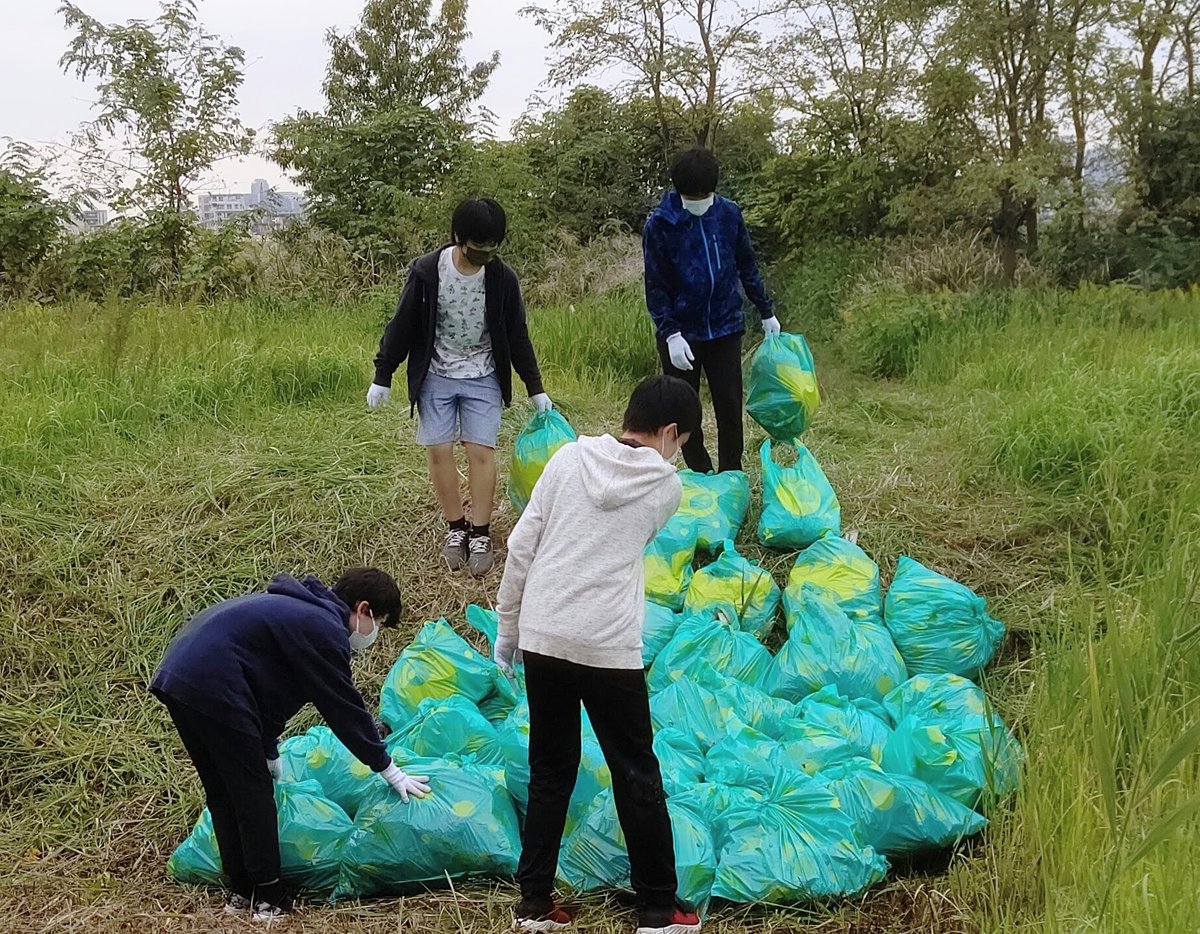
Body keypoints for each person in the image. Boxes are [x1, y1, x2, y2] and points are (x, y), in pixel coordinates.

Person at [494, 375, 704, 934]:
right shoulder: (665, 487)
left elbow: (520, 547)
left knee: (550, 768)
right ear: (668, 433)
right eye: (679, 443)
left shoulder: (565, 459)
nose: (676, 454)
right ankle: (660, 908)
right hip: (608, 645)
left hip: (545, 635)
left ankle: (534, 905)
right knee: (635, 770)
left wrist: (507, 633)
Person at [150, 568, 429, 922]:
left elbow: (271, 693)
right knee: (252, 795)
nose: (372, 635)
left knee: (224, 792)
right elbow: (343, 707)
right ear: (363, 609)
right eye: (379, 622)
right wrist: (387, 768)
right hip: (213, 682)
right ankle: (268, 897)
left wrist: (269, 749)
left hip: (181, 676)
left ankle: (240, 891)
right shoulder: (323, 629)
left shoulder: (301, 613)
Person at [367, 197, 553, 577]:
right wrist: (383, 374)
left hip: (483, 374)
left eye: (492, 249)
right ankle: (456, 528)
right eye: (477, 248)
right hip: (436, 373)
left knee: (480, 450)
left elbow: (517, 336)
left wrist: (535, 387)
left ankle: (480, 532)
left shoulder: (502, 279)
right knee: (438, 449)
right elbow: (401, 324)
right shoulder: (427, 272)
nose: (484, 255)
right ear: (458, 238)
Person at [642, 146, 780, 474]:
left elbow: (746, 264)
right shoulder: (660, 224)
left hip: (725, 327)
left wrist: (765, 310)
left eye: (705, 197)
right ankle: (700, 473)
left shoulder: (729, 214)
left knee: (729, 406)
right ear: (678, 191)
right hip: (681, 334)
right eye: (692, 198)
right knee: (684, 411)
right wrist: (670, 332)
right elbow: (655, 285)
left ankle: (731, 473)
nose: (699, 204)